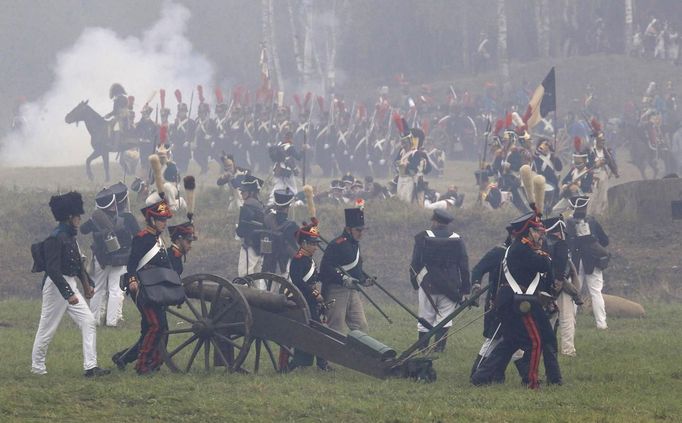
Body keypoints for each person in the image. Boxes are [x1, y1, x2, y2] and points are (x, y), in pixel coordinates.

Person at [471, 212, 557, 389]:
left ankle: (481, 376)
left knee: (510, 342)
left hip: (512, 301)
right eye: (536, 231)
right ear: (527, 232)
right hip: (519, 303)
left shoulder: (521, 247)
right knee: (535, 342)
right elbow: (544, 265)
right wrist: (543, 252)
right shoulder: (522, 249)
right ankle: (531, 381)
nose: (540, 235)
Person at [31, 191, 110, 377]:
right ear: (69, 216)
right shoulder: (55, 238)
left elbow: (77, 265)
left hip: (69, 284)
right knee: (47, 328)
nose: (79, 218)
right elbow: (53, 270)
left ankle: (90, 367)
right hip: (56, 287)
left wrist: (86, 284)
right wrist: (68, 293)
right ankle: (37, 367)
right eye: (77, 216)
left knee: (89, 321)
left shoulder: (70, 237)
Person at [115, 200, 174, 375]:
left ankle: (128, 358)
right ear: (152, 220)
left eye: (165, 220)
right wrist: (132, 280)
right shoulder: (142, 238)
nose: (164, 223)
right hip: (142, 288)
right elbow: (132, 262)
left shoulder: (158, 240)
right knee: (156, 325)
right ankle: (143, 365)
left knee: (153, 328)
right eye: (161, 220)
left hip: (157, 288)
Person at [409, 209, 470, 353]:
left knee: (425, 318)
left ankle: (423, 348)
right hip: (451, 286)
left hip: (427, 284)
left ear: (435, 221)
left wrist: (416, 283)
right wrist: (465, 289)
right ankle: (439, 349)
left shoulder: (423, 237)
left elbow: (415, 263)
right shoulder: (457, 239)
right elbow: (464, 265)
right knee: (445, 319)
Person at [80, 187, 139, 326]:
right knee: (115, 290)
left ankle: (94, 320)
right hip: (120, 258)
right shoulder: (127, 217)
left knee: (98, 289)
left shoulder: (95, 218)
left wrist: (92, 219)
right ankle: (112, 322)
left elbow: (83, 230)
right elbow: (137, 234)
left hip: (101, 259)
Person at [319, 208, 374, 334]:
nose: (361, 233)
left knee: (361, 326)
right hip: (336, 290)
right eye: (358, 230)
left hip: (352, 290)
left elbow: (354, 268)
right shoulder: (336, 244)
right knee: (335, 329)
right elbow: (326, 269)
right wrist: (343, 279)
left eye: (362, 230)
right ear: (348, 229)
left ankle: (357, 354)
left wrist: (364, 280)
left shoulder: (355, 244)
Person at [287, 219, 332, 371]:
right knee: (315, 330)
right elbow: (298, 281)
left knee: (318, 329)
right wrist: (314, 293)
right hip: (301, 299)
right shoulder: (298, 260)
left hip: (309, 299)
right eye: (313, 244)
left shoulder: (308, 259)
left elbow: (313, 277)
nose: (315, 247)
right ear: (304, 243)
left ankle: (321, 362)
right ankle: (304, 362)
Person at [565, 196, 610, 330]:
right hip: (593, 260)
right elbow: (605, 241)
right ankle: (602, 324)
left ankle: (570, 322)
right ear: (585, 207)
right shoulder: (593, 221)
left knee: (574, 292)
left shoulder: (567, 223)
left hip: (575, 262)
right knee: (596, 292)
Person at [261, 188, 299, 279]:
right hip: (284, 268)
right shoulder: (291, 226)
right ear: (288, 206)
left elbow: (264, 246)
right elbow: (293, 251)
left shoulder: (267, 220)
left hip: (268, 266)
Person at [235, 175, 266, 284]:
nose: (241, 193)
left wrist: (237, 230)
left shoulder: (247, 207)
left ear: (251, 192)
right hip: (261, 246)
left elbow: (241, 232)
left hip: (249, 245)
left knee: (244, 274)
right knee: (258, 278)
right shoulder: (262, 206)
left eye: (244, 191)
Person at [269, 131, 301, 204]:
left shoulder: (280, 144)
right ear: (290, 138)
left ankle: (271, 200)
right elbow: (298, 157)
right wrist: (303, 150)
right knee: (292, 187)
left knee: (279, 185)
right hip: (287, 169)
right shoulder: (290, 147)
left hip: (278, 168)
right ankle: (296, 202)